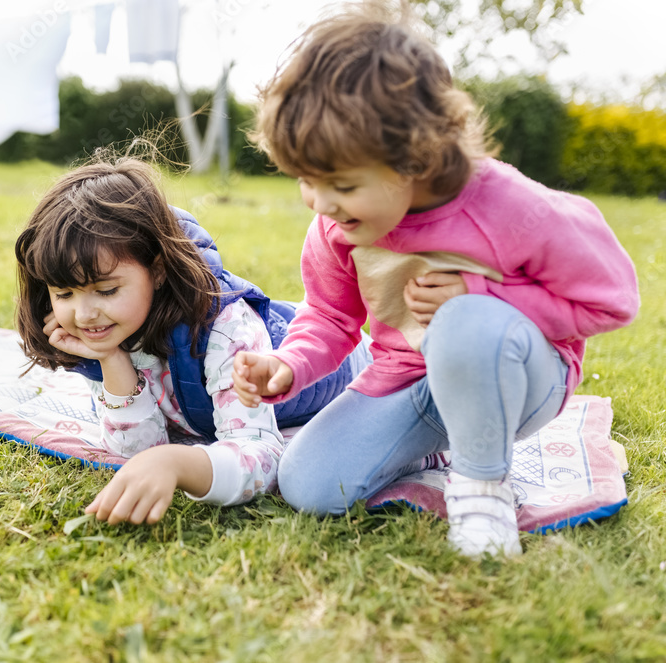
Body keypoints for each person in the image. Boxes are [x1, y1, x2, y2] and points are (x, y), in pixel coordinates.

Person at [232, 1, 640, 557]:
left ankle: (481, 482)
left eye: (343, 185)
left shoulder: (512, 208)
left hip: (519, 377)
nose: (322, 203)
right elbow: (329, 316)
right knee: (312, 486)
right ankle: (436, 446)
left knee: (465, 320)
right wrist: (290, 364)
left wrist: (485, 295)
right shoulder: (336, 227)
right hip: (412, 380)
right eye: (306, 180)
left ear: (415, 159)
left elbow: (611, 303)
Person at [14, 158, 377, 525]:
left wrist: (176, 464)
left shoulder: (223, 328)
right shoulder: (104, 331)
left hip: (355, 374)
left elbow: (260, 457)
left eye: (105, 290)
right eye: (64, 294)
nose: (84, 314)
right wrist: (111, 360)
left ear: (157, 270)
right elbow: (137, 451)